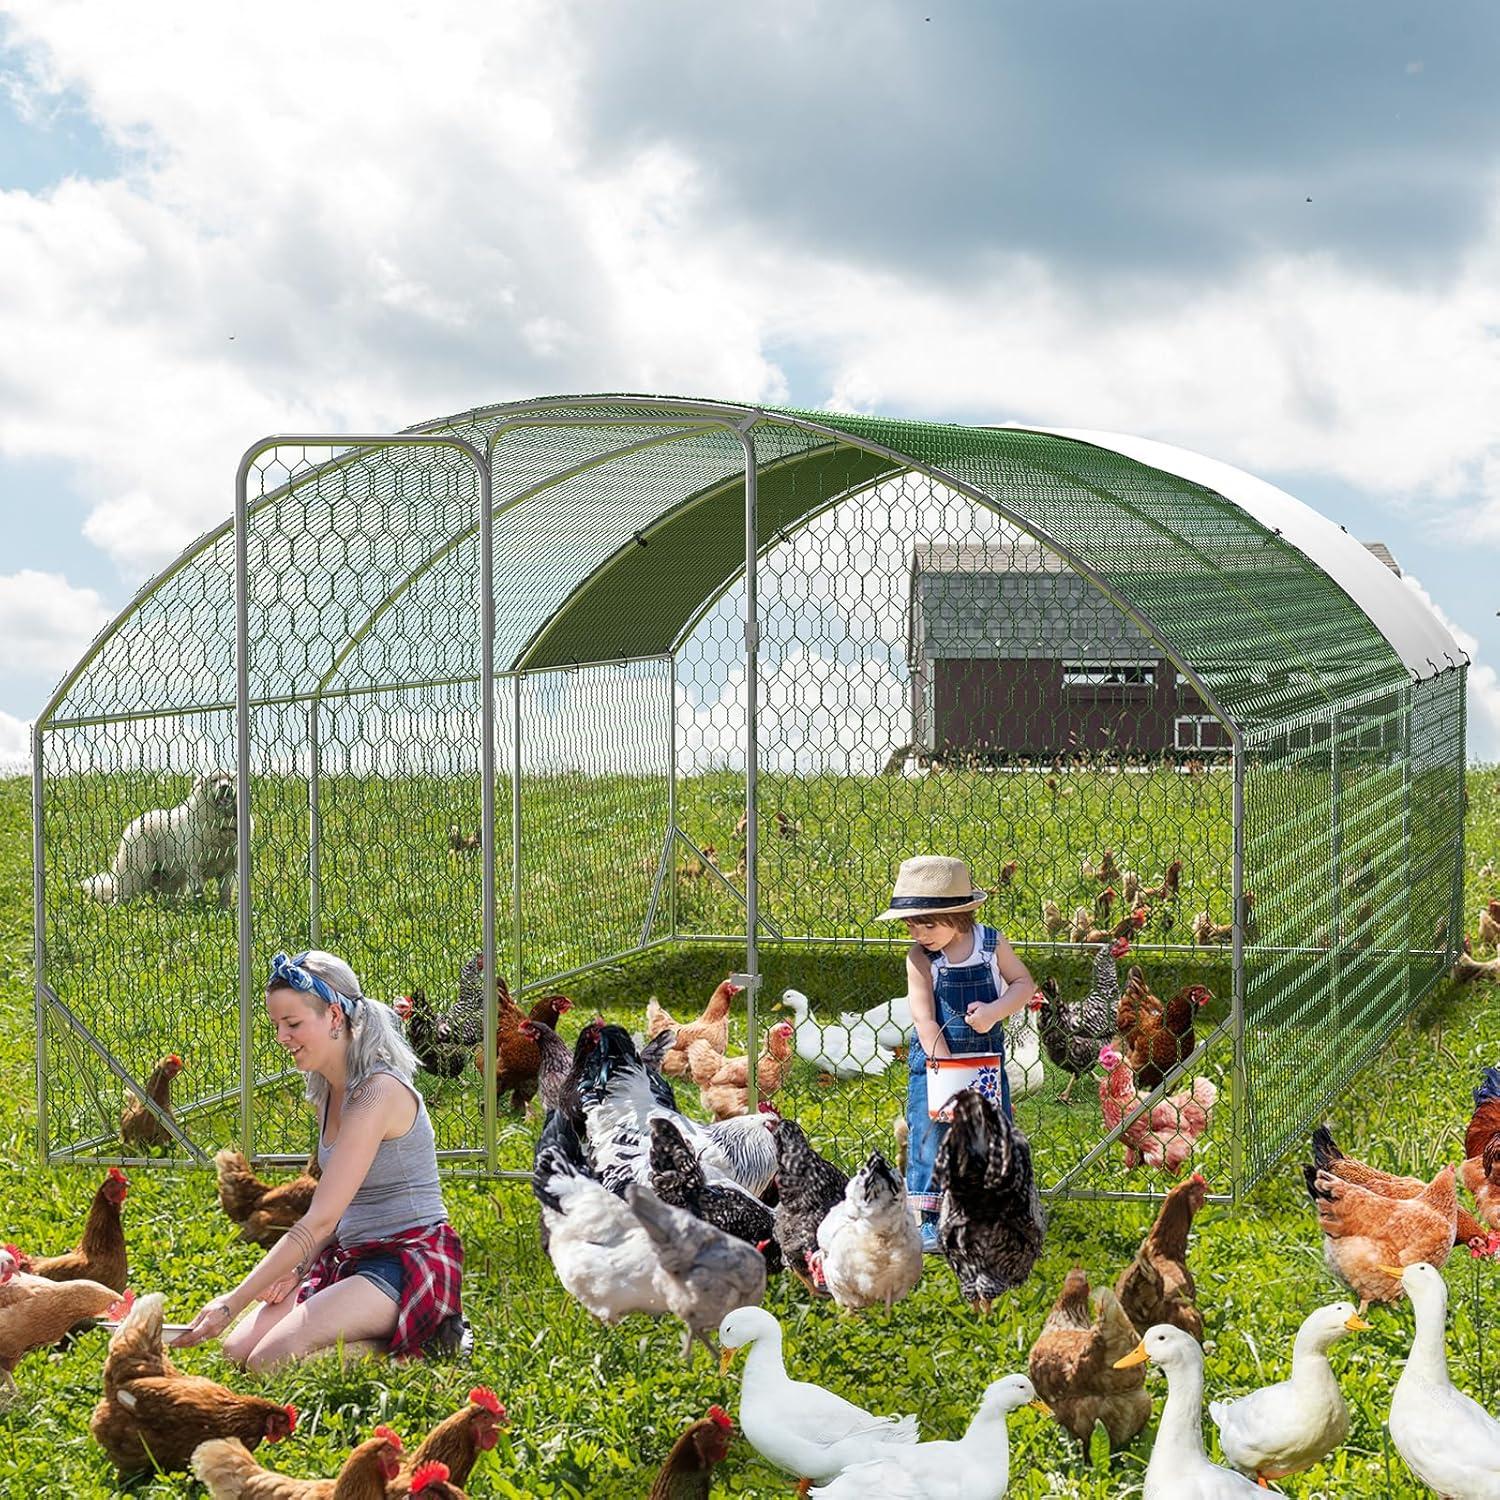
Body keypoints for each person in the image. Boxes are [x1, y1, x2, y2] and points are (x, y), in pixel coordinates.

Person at [176, 950, 464, 1368]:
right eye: (276, 1025)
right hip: (351, 1256)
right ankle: (394, 1334)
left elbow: (321, 1218)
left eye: (293, 1024)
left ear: (333, 1017)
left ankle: (419, 1343)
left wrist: (230, 1303)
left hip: (408, 1261)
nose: (281, 1037)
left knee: (267, 1363)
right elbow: (337, 1212)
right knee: (236, 1350)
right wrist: (298, 1267)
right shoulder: (327, 1091)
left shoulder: (375, 1094)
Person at [877, 856, 1035, 1254]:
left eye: (928, 923)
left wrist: (994, 1012)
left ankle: (990, 1213)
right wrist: (945, 1067)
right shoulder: (919, 959)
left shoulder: (991, 945)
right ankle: (928, 1221)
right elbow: (924, 1018)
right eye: (911, 924)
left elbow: (1023, 984)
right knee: (930, 1137)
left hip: (984, 1061)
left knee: (989, 1135)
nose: (919, 932)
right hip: (935, 1063)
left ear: (961, 915)